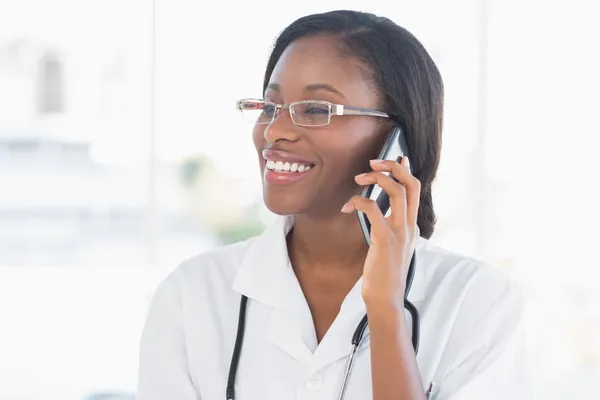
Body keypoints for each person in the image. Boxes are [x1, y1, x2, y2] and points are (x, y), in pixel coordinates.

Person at [136, 10, 531, 400]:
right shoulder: (191, 295)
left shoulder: (475, 302)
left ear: (397, 138)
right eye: (271, 107)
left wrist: (386, 312)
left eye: (316, 110)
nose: (275, 131)